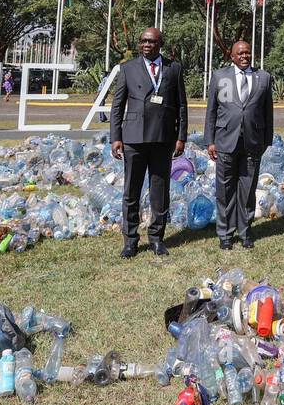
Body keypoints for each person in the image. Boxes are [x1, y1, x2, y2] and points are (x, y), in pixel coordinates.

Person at [109, 28, 187, 258]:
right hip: (133, 137)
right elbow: (117, 105)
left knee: (159, 191)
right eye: (143, 41)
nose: (146, 45)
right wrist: (116, 137)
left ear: (160, 43)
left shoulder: (173, 68)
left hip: (163, 138)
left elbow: (182, 105)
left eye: (151, 41)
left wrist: (181, 136)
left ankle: (156, 238)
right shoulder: (128, 68)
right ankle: (130, 241)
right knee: (131, 191)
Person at [204, 39, 273, 251]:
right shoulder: (220, 76)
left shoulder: (263, 78)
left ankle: (245, 231)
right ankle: (225, 233)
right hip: (225, 142)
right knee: (225, 190)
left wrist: (266, 140)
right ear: (232, 56)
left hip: (252, 143)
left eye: (247, 53)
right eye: (240, 53)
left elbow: (268, 112)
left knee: (248, 189)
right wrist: (210, 141)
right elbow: (211, 112)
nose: (244, 56)